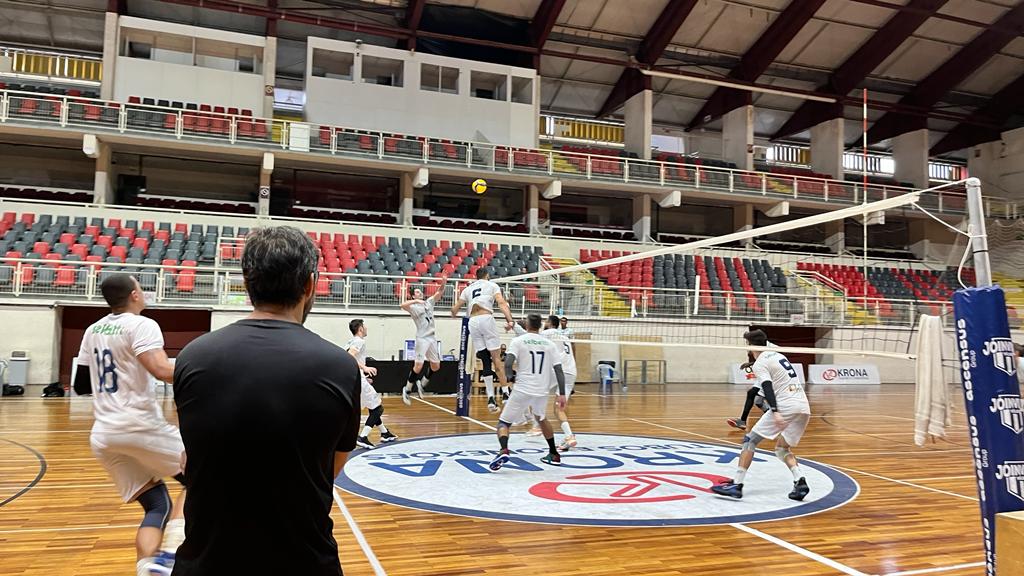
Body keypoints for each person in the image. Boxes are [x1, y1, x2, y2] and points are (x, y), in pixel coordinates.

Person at [172, 226, 360, 576]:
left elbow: (192, 452)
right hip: (305, 562)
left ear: (246, 282)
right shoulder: (340, 367)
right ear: (308, 285)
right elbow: (332, 465)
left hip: (206, 562)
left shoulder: (192, 357)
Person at [77, 274, 185, 576]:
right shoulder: (142, 324)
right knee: (204, 474)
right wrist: (206, 367)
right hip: (138, 424)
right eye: (141, 286)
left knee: (156, 505)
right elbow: (162, 370)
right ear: (134, 294)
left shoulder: (93, 329)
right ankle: (169, 554)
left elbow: (81, 384)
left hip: (103, 433)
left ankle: (146, 569)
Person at [712, 329, 810, 501]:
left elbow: (767, 387)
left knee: (750, 441)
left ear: (751, 346)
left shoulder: (760, 363)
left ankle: (737, 484)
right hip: (803, 406)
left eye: (748, 345)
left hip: (785, 406)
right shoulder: (776, 354)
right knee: (781, 449)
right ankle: (800, 481)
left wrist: (776, 411)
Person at [489, 314, 567, 471]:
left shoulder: (518, 341)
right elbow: (559, 370)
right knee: (541, 419)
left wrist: (510, 376)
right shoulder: (549, 344)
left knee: (504, 422)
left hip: (523, 389)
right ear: (539, 326)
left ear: (527, 324)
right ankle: (553, 453)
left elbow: (508, 362)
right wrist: (562, 393)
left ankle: (503, 450)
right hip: (541, 390)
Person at [451, 268, 515, 413]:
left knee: (486, 361)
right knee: (496, 359)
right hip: (486, 319)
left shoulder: (468, 289)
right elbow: (502, 303)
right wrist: (510, 320)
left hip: (472, 322)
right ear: (487, 276)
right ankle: (505, 393)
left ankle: (491, 398)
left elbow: (454, 309)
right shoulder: (492, 285)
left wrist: (454, 313)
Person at [526, 315, 578, 451]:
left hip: (557, 371)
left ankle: (536, 425)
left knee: (532, 394)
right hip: (571, 372)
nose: (544, 323)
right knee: (558, 409)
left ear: (550, 323)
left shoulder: (546, 333)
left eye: (546, 321)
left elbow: (530, 337)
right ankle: (569, 436)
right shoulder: (565, 337)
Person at [347, 318, 398, 449]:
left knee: (373, 407)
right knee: (378, 408)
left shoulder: (351, 341)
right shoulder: (359, 341)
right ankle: (363, 437)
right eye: (365, 326)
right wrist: (364, 368)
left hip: (355, 378)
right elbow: (350, 356)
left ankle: (384, 433)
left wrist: (363, 375)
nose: (367, 328)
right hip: (358, 379)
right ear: (360, 329)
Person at [400, 280, 445, 405]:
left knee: (436, 366)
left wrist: (444, 281)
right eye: (417, 292)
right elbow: (402, 305)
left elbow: (440, 291)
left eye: (420, 292)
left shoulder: (429, 302)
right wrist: (415, 301)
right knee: (418, 366)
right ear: (413, 296)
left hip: (432, 337)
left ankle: (422, 383)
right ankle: (407, 389)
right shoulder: (413, 307)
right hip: (422, 338)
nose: (420, 293)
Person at [726, 351, 769, 431]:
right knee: (758, 401)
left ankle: (742, 421)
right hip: (765, 375)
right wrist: (751, 364)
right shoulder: (759, 351)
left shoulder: (767, 348)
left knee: (751, 393)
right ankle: (770, 415)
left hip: (772, 376)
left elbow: (768, 361)